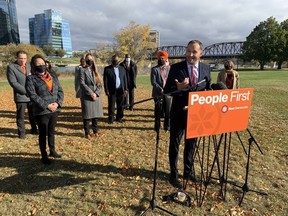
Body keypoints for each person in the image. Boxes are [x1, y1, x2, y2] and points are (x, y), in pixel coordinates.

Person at [164, 40, 211, 189]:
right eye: (188, 51)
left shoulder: (206, 69)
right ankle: (173, 174)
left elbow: (208, 89)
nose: (191, 54)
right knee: (175, 144)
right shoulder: (176, 68)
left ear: (200, 54)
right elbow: (167, 91)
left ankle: (188, 171)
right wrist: (178, 87)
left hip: (197, 115)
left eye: (194, 52)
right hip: (179, 112)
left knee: (191, 145)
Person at [26, 54, 64, 165]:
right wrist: (47, 106)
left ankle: (52, 150)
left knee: (51, 131)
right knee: (43, 133)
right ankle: (44, 155)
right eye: (38, 64)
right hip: (41, 111)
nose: (41, 65)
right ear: (33, 65)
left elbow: (60, 91)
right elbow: (33, 95)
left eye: (43, 63)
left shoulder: (52, 75)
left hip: (54, 109)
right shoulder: (31, 79)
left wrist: (58, 103)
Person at [6, 50, 38, 139]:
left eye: (24, 58)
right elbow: (13, 82)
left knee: (33, 114)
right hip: (21, 96)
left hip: (32, 96)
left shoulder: (29, 66)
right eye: (21, 58)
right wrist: (26, 91)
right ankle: (22, 133)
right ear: (16, 58)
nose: (23, 60)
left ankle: (34, 130)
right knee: (21, 116)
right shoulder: (11, 67)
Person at [79, 53, 103, 139]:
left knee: (95, 115)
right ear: (85, 60)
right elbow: (82, 83)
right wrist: (91, 93)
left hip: (96, 96)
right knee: (87, 116)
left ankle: (95, 131)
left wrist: (96, 93)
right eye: (88, 59)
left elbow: (100, 84)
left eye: (91, 59)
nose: (89, 60)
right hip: (87, 96)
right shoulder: (82, 70)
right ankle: (87, 133)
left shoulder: (96, 70)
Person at [150, 51, 172, 131]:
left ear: (165, 59)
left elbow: (170, 80)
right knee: (158, 111)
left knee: (168, 111)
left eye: (163, 58)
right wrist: (160, 89)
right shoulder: (154, 69)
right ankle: (157, 126)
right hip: (157, 93)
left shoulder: (169, 69)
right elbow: (153, 82)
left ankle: (167, 126)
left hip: (168, 93)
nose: (161, 59)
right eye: (160, 58)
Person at [103, 54, 128, 124]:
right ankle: (111, 118)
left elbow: (125, 79)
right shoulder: (107, 69)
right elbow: (105, 80)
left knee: (120, 105)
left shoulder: (122, 68)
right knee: (111, 106)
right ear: (111, 60)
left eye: (116, 60)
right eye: (114, 60)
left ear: (119, 61)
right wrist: (106, 90)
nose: (115, 61)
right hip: (112, 90)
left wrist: (126, 89)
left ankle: (119, 118)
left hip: (121, 90)